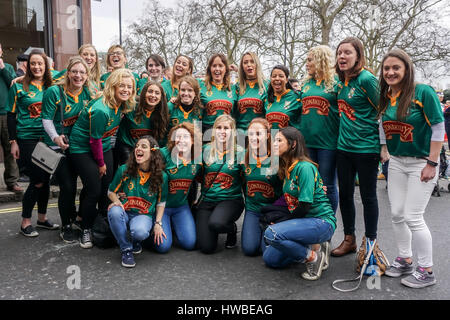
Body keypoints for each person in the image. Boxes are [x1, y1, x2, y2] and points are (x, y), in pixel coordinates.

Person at [378, 49, 444, 288]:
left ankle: (426, 270)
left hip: (421, 162)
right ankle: (405, 259)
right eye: (386, 68)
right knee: (397, 213)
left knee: (413, 216)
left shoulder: (422, 92)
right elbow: (382, 123)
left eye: (396, 67)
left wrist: (432, 163)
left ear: (406, 69)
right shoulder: (386, 94)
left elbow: (437, 128)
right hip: (396, 161)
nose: (391, 72)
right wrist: (384, 148)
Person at [69, 68, 136, 248]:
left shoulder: (121, 104)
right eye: (121, 85)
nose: (126, 90)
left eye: (129, 87)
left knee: (108, 187)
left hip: (103, 145)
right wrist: (101, 164)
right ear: (113, 86)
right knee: (94, 189)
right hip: (82, 148)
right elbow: (94, 140)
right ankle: (86, 229)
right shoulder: (101, 110)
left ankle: (104, 225)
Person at [262, 127, 336, 281]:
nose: (274, 143)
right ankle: (315, 245)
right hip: (303, 222)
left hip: (321, 222)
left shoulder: (304, 167)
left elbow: (304, 206)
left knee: (272, 234)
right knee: (271, 259)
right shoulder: (288, 167)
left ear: (293, 144)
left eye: (279, 140)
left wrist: (283, 223)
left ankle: (313, 257)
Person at [330, 37, 381, 257]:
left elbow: (384, 109)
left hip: (367, 149)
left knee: (369, 197)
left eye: (347, 53)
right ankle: (348, 238)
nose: (342, 56)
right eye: (339, 53)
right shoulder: (340, 82)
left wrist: (384, 146)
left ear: (358, 56)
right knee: (346, 195)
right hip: (344, 148)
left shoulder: (367, 79)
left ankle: (370, 244)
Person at [41, 56, 94, 243]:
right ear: (68, 73)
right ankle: (66, 225)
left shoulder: (89, 93)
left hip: (79, 146)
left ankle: (79, 218)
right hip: (58, 146)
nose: (78, 76)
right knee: (68, 186)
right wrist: (56, 137)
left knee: (90, 183)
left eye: (82, 72)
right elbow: (46, 119)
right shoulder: (54, 92)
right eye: (75, 71)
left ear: (87, 75)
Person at [7, 49, 58, 237]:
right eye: (33, 63)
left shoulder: (52, 86)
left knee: (45, 181)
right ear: (28, 66)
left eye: (40, 63)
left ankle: (42, 219)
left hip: (47, 139)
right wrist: (13, 142)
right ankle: (25, 222)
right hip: (27, 139)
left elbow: (70, 74)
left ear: (47, 66)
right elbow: (11, 116)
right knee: (37, 181)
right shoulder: (18, 87)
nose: (37, 66)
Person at [108, 136, 168, 267]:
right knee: (114, 211)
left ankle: (135, 241)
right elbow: (110, 192)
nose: (138, 149)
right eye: (137, 146)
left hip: (143, 215)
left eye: (144, 146)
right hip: (125, 211)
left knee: (140, 231)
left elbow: (161, 203)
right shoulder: (124, 169)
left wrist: (158, 223)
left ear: (153, 153)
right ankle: (126, 249)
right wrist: (116, 200)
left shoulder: (161, 176)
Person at [298, 45, 340, 213]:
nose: (306, 64)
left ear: (321, 60)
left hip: (328, 143)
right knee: (310, 183)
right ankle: (314, 219)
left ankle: (328, 224)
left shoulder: (336, 83)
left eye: (310, 60)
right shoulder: (306, 83)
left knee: (327, 185)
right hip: (307, 142)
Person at [194, 114, 244, 254]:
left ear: (233, 132)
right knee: (206, 248)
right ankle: (214, 225)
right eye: (219, 128)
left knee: (217, 223)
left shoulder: (240, 152)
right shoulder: (204, 149)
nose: (222, 131)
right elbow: (195, 175)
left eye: (226, 128)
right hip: (207, 200)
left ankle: (231, 228)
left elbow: (248, 178)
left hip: (230, 199)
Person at [240, 118, 282, 256]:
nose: (254, 137)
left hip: (272, 211)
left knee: (267, 252)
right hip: (253, 210)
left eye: (258, 134)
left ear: (268, 135)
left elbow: (287, 190)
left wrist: (280, 216)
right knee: (249, 249)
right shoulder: (243, 157)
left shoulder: (278, 158)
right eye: (251, 134)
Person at [159, 122, 202, 251]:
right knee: (163, 247)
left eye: (185, 137)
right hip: (162, 207)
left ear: (193, 140)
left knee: (189, 244)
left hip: (180, 206)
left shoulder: (198, 158)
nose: (181, 140)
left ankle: (174, 227)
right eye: (178, 137)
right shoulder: (164, 154)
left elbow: (206, 178)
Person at [115, 80, 169, 167]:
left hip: (148, 150)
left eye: (157, 93)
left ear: (161, 97)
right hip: (127, 147)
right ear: (144, 93)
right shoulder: (131, 106)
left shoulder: (163, 114)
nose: (153, 95)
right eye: (150, 91)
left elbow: (160, 141)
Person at [0, 42, 22, 193]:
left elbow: (13, 85)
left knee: (10, 149)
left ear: (1, 51)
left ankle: (12, 181)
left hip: (6, 114)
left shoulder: (7, 67)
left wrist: (2, 68)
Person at [200, 53, 237, 133]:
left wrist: (238, 70)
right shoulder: (201, 86)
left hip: (227, 133)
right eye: (214, 66)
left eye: (220, 66)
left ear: (226, 69)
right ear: (210, 69)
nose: (217, 69)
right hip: (207, 132)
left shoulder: (233, 88)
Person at [234, 52, 268, 133]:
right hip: (240, 133)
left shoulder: (267, 85)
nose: (249, 65)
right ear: (242, 67)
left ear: (257, 64)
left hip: (260, 133)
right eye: (245, 62)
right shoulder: (237, 86)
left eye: (252, 61)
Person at [264, 65, 301, 131]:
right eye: (274, 76)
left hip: (290, 139)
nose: (277, 78)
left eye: (281, 76)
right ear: (270, 79)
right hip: (272, 140)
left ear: (286, 80)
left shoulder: (297, 96)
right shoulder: (266, 99)